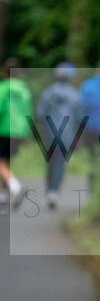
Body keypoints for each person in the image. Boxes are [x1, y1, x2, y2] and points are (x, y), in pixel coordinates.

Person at [35, 62, 81, 209]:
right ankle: (54, 192)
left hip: (50, 134)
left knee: (50, 162)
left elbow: (40, 114)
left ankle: (49, 191)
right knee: (60, 163)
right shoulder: (75, 94)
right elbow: (80, 116)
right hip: (67, 134)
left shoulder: (48, 93)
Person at [0, 58, 34, 209]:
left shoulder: (4, 88)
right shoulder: (24, 89)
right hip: (20, 131)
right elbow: (28, 112)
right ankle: (5, 196)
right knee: (6, 161)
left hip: (4, 128)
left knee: (1, 163)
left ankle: (15, 187)